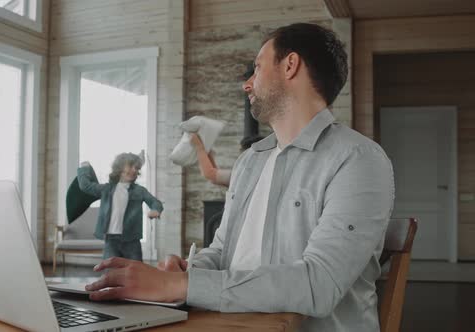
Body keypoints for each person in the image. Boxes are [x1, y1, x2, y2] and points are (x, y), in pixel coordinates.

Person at [84, 23, 394, 332]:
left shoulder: (359, 160)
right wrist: (186, 274)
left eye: (257, 68)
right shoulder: (250, 162)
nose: (247, 84)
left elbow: (319, 284)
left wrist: (185, 287)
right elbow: (221, 252)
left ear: (290, 65)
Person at [77, 152, 163, 262]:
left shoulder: (139, 191)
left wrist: (155, 210)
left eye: (136, 168)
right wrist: (85, 168)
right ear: (120, 168)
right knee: (110, 271)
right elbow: (86, 186)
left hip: (131, 240)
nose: (134, 170)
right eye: (130, 166)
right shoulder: (107, 189)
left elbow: (155, 202)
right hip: (111, 240)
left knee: (135, 271)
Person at [191, 133, 263, 187]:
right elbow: (214, 178)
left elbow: (210, 174)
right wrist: (207, 153)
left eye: (241, 152)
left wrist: (199, 147)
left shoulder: (247, 174)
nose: (239, 157)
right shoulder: (260, 170)